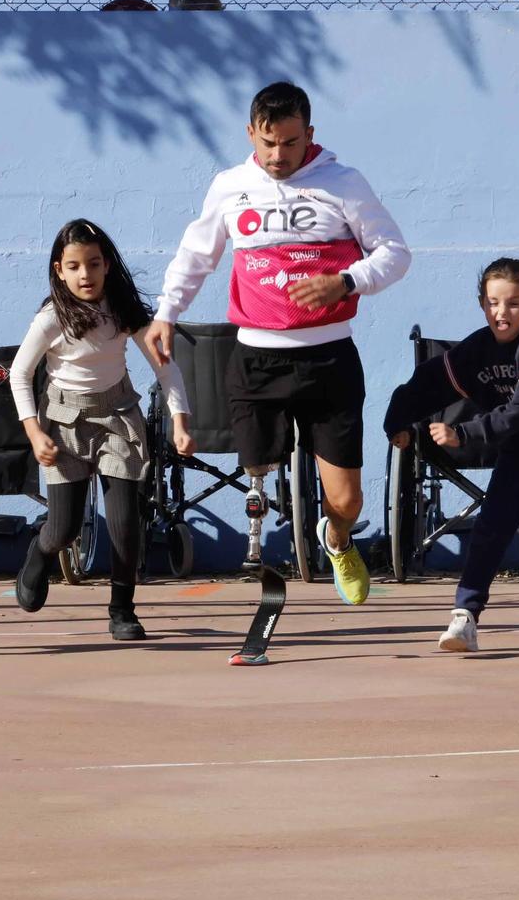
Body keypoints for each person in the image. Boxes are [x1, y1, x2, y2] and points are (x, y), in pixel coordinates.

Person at [142, 80, 411, 606]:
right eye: (268, 143)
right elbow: (197, 254)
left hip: (329, 356)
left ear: (309, 134)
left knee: (347, 500)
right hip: (258, 356)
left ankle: (335, 540)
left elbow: (395, 253)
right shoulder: (230, 186)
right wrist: (167, 312)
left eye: (290, 143)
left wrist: (347, 281)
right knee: (257, 470)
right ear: (251, 134)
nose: (278, 155)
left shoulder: (344, 183)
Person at [385, 259, 519, 653]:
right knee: (491, 528)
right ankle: (464, 618)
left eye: (513, 304)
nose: (502, 312)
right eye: (494, 303)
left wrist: (462, 433)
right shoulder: (477, 348)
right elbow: (429, 382)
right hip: (518, 452)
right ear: (482, 304)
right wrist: (398, 422)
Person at [11, 220, 193, 640]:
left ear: (106, 265)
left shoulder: (123, 310)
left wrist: (180, 422)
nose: (85, 275)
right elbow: (20, 375)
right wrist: (36, 433)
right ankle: (39, 554)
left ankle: (121, 610)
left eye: (93, 264)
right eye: (74, 266)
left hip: (117, 419)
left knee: (126, 524)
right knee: (64, 529)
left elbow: (166, 369)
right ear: (59, 270)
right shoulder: (51, 318)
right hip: (64, 425)